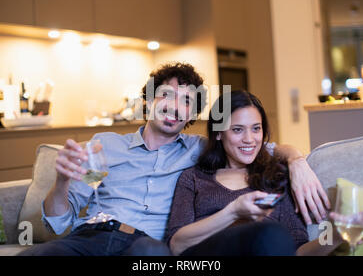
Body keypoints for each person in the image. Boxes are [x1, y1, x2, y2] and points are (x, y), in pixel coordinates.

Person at [19, 63, 331, 256]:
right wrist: (62, 182)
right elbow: (60, 221)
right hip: (93, 235)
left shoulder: (198, 151)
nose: (174, 107)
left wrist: (297, 161)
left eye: (186, 101)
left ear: (192, 115)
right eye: (166, 95)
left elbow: (253, 144)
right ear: (148, 101)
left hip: (146, 245)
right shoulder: (106, 148)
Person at [166, 90, 363, 256]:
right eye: (238, 130)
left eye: (256, 128)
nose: (250, 139)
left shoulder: (275, 178)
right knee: (270, 233)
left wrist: (336, 236)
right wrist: (234, 212)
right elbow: (177, 246)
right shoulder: (194, 178)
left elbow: (298, 251)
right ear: (219, 133)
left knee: (274, 237)